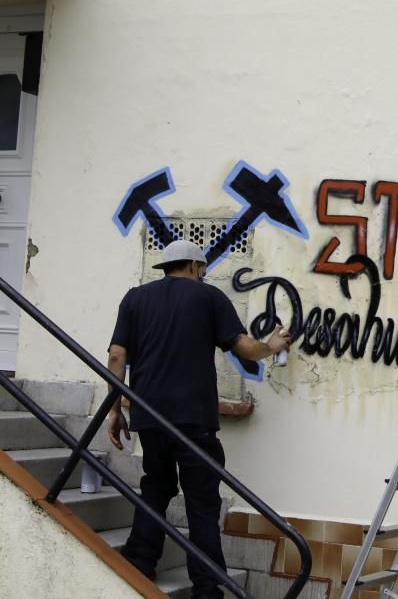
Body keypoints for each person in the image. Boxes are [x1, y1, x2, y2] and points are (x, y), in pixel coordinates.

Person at [105, 239, 291, 598]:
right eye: (202, 269)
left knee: (155, 486)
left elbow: (116, 355)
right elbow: (245, 348)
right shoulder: (210, 298)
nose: (204, 274)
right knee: (202, 501)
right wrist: (272, 344)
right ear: (194, 265)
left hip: (149, 415)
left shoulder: (134, 298)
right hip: (194, 421)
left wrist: (115, 409)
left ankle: (140, 561)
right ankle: (207, 588)